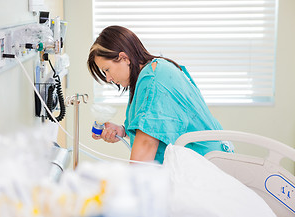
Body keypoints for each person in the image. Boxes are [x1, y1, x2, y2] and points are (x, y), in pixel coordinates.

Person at [87, 25, 232, 164]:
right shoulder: (150, 74)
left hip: (207, 163)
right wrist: (122, 131)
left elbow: (146, 145)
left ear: (124, 58)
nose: (108, 78)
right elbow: (158, 126)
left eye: (107, 70)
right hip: (202, 161)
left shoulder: (153, 80)